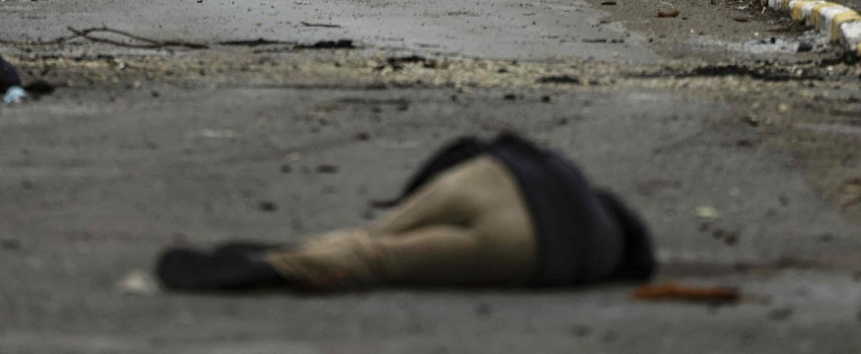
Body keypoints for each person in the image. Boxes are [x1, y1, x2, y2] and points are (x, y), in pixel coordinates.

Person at [155, 132, 655, 292]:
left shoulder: (570, 175)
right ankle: (280, 267)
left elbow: (467, 147)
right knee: (382, 261)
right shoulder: (603, 252)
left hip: (490, 175)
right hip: (528, 243)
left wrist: (409, 200)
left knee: (379, 234)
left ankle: (328, 242)